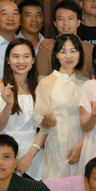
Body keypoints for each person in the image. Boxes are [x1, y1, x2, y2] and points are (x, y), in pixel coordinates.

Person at [0, 39, 46, 179]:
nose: (21, 61)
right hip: (2, 156)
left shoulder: (40, 85)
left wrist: (29, 156)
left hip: (34, 157)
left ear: (33, 60)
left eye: (26, 56)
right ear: (8, 60)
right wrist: (8, 105)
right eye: (15, 56)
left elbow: (46, 127)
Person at [34, 33, 87, 180]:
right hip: (56, 146)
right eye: (63, 51)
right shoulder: (46, 83)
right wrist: (47, 121)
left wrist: (81, 144)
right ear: (56, 55)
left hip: (83, 147)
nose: (68, 56)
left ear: (80, 54)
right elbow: (42, 122)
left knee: (81, 188)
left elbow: (91, 123)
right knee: (56, 188)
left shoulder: (86, 84)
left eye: (73, 51)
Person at [37, 1, 94, 80]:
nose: (66, 23)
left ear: (78, 22)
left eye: (70, 18)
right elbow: (41, 81)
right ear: (55, 24)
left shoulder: (91, 49)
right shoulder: (46, 49)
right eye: (61, 19)